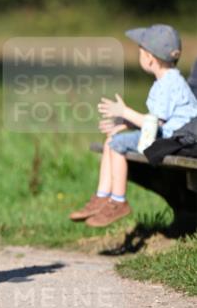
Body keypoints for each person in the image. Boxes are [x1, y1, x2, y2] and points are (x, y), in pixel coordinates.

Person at [69, 24, 197, 228]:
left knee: (116, 144)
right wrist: (125, 123)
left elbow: (155, 124)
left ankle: (118, 200)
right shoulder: (169, 80)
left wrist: (125, 112)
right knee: (113, 140)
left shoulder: (168, 84)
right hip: (169, 134)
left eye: (140, 51)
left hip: (176, 140)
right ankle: (102, 197)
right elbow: (159, 120)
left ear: (150, 58)